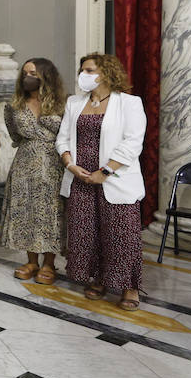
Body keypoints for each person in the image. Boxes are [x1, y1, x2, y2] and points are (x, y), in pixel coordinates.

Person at [57, 53, 147, 311]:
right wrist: (70, 164)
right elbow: (62, 138)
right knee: (87, 231)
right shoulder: (74, 102)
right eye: (82, 70)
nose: (83, 75)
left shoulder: (128, 103)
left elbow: (133, 143)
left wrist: (104, 172)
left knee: (122, 233)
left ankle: (129, 286)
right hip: (80, 178)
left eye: (89, 70)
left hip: (115, 179)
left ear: (106, 72)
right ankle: (98, 278)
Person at [0, 58, 67, 284]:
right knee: (26, 212)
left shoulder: (63, 104)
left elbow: (68, 134)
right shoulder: (15, 103)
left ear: (46, 76)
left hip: (54, 163)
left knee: (51, 213)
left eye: (34, 73)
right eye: (25, 72)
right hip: (25, 164)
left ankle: (49, 264)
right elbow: (14, 133)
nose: (28, 77)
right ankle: (31, 261)